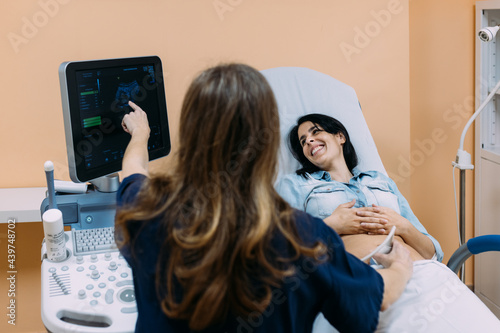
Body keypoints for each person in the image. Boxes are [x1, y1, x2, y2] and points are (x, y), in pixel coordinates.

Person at [114, 64, 413, 333]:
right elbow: (379, 297)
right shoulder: (301, 238)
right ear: (265, 145)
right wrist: (401, 266)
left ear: (190, 134)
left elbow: (131, 171)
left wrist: (140, 133)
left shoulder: (147, 209)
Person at [277, 113, 500, 332]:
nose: (309, 142)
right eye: (303, 141)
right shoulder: (296, 185)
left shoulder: (380, 180)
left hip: (422, 273)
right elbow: (279, 248)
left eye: (315, 132)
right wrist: (331, 225)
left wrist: (402, 225)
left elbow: (432, 253)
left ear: (340, 137)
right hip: (360, 283)